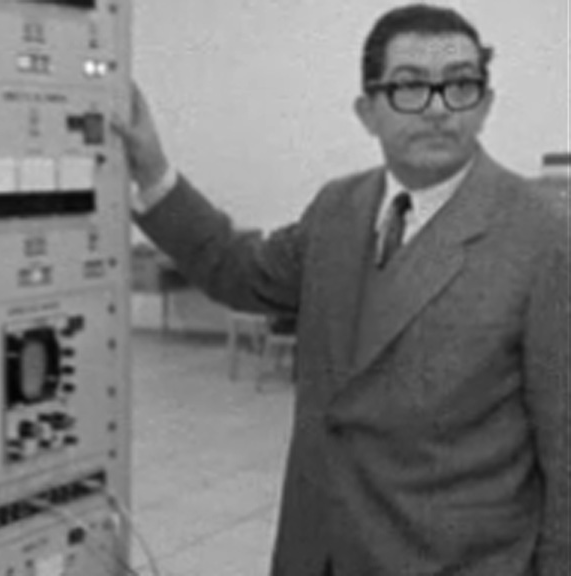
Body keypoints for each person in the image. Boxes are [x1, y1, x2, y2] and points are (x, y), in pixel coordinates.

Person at [113, 4, 568, 576]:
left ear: (485, 103)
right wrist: (154, 173)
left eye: (459, 85)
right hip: (320, 548)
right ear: (367, 112)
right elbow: (242, 272)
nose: (437, 109)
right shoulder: (338, 209)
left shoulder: (542, 237)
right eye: (409, 86)